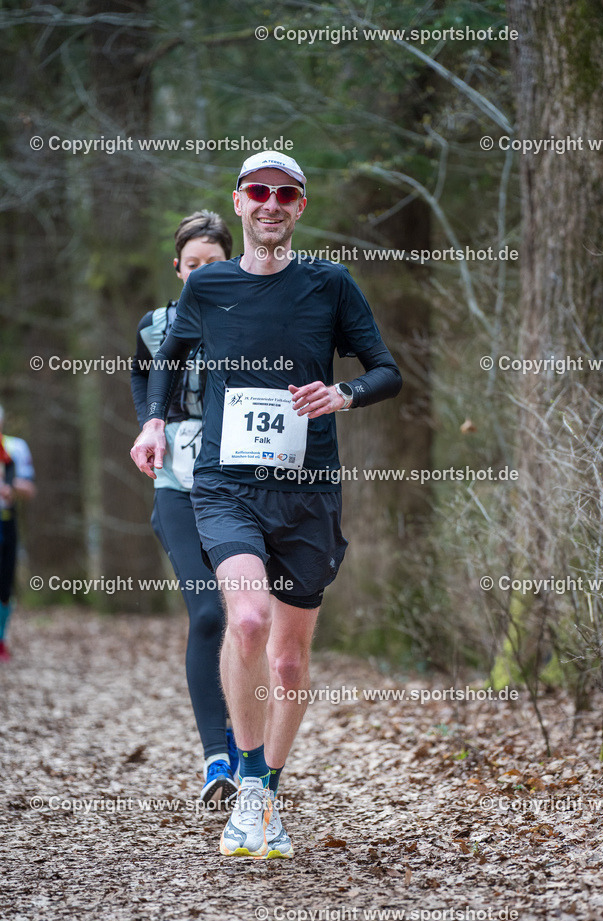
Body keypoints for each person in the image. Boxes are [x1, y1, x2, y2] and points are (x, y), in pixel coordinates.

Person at [131, 152, 402, 858]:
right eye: (259, 191)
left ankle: (270, 788)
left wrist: (343, 393)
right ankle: (248, 790)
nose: (271, 202)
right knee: (244, 619)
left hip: (308, 490)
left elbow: (385, 370)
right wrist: (153, 420)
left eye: (285, 193)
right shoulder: (210, 284)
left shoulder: (329, 285)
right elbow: (170, 357)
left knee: (287, 661)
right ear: (240, 201)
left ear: (299, 207)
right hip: (226, 485)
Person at [130, 210, 239, 806]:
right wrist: (154, 424)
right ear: (178, 270)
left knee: (244, 619)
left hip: (240, 487)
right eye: (193, 266)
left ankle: (246, 744)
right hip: (176, 487)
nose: (202, 274)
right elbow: (141, 377)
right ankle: (215, 758)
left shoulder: (250, 322)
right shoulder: (155, 325)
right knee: (206, 616)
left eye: (214, 265)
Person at [0, 405, 36, 661]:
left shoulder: (15, 447)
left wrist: (10, 486)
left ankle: (1, 639)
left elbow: (30, 489)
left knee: (4, 584)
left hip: (5, 520)